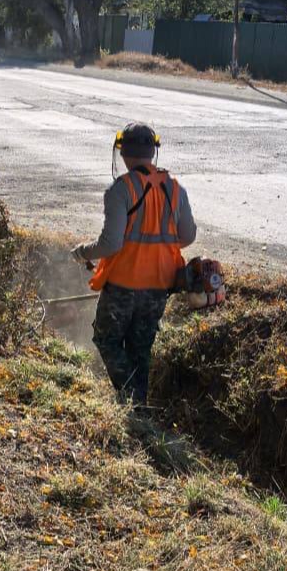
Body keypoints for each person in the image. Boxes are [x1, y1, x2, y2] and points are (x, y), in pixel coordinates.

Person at [71, 123, 199, 407]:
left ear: (124, 153)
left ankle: (130, 397)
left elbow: (110, 244)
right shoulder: (175, 189)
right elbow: (188, 236)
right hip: (159, 287)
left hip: (123, 286)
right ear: (153, 151)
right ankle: (138, 408)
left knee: (107, 341)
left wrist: (82, 252)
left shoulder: (120, 190)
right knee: (141, 350)